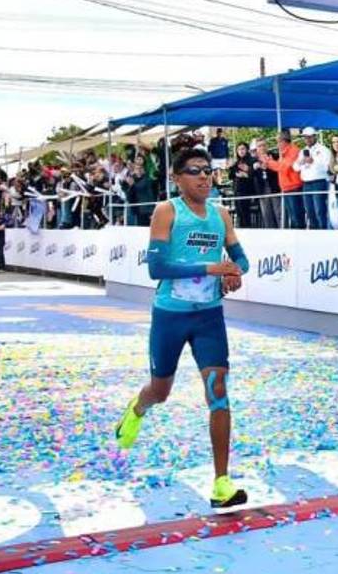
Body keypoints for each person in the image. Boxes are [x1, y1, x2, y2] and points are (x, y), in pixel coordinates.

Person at [114, 147, 251, 510]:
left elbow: (241, 258)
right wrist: (211, 269)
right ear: (177, 179)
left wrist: (235, 272)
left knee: (218, 391)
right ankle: (137, 408)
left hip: (209, 317)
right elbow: (156, 269)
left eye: (207, 170)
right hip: (170, 317)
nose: (204, 176)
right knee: (160, 391)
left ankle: (221, 483)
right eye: (194, 171)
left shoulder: (221, 214)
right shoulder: (167, 211)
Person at [258, 131, 305, 229]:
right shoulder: (283, 153)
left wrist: (269, 162)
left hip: (293, 187)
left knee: (296, 216)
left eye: (278, 142)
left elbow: (283, 167)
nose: (277, 145)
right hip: (287, 187)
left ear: (283, 141)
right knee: (293, 217)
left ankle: (300, 235)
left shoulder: (293, 151)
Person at [294, 127, 332, 230]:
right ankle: (313, 232)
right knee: (309, 210)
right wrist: (301, 162)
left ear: (315, 136)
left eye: (309, 137)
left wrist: (313, 162)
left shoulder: (324, 150)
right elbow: (295, 168)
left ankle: (323, 231)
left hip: (319, 182)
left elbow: (327, 167)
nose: (307, 139)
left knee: (320, 210)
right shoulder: (303, 151)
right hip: (306, 183)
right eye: (305, 137)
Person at [252, 140, 281, 229]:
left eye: (264, 145)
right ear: (256, 149)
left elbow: (279, 168)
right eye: (259, 146)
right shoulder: (253, 160)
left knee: (279, 214)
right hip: (262, 191)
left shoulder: (274, 156)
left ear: (267, 146)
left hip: (274, 189)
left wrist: (270, 163)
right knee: (267, 215)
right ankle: (271, 234)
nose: (262, 148)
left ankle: (282, 232)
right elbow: (250, 174)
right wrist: (255, 168)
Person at [230, 142, 256, 228]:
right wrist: (231, 167)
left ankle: (248, 230)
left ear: (247, 150)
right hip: (237, 191)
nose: (241, 151)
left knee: (245, 214)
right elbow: (231, 176)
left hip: (246, 191)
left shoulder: (251, 160)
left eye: (243, 149)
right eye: (239, 149)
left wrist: (246, 174)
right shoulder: (236, 162)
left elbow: (255, 174)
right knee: (239, 214)